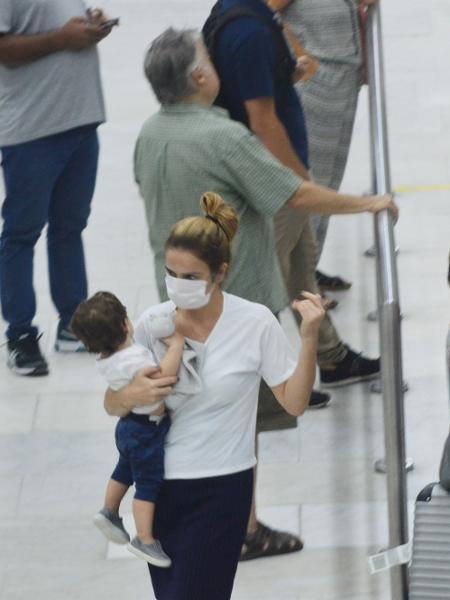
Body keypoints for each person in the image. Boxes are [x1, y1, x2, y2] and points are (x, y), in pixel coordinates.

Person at [134, 27, 398, 560]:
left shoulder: (149, 133)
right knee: (236, 426)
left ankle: (209, 521)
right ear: (201, 77)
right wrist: (367, 203)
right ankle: (241, 530)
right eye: (209, 59)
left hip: (177, 306)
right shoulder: (222, 136)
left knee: (191, 418)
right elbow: (292, 192)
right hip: (229, 305)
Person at [104, 192, 326, 600]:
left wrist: (308, 339)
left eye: (190, 277)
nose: (177, 285)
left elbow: (294, 401)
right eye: (171, 273)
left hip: (223, 487)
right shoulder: (153, 324)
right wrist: (129, 394)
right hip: (158, 487)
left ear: (219, 273)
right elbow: (112, 403)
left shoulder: (254, 322)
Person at [202, 0, 384, 356]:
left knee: (300, 260)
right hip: (291, 153)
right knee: (271, 265)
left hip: (298, 138)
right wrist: (301, 181)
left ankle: (330, 356)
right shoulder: (247, 28)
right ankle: (262, 377)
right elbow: (263, 121)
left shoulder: (248, 20)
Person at [0, 1, 115, 376]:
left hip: (81, 121)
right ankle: (20, 335)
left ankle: (72, 325)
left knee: (70, 227)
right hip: (32, 130)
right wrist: (63, 38)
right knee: (21, 234)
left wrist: (88, 25)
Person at [71, 290, 200, 568]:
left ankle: (109, 510)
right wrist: (176, 345)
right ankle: (144, 538)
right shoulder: (133, 359)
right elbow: (164, 379)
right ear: (125, 325)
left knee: (124, 470)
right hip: (146, 431)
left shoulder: (107, 361)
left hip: (129, 427)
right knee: (148, 483)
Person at [271, 0, 378, 292]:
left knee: (327, 177)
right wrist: (302, 57)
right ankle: (298, 282)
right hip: (317, 82)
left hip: (338, 78)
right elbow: (267, 10)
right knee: (313, 180)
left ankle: (306, 270)